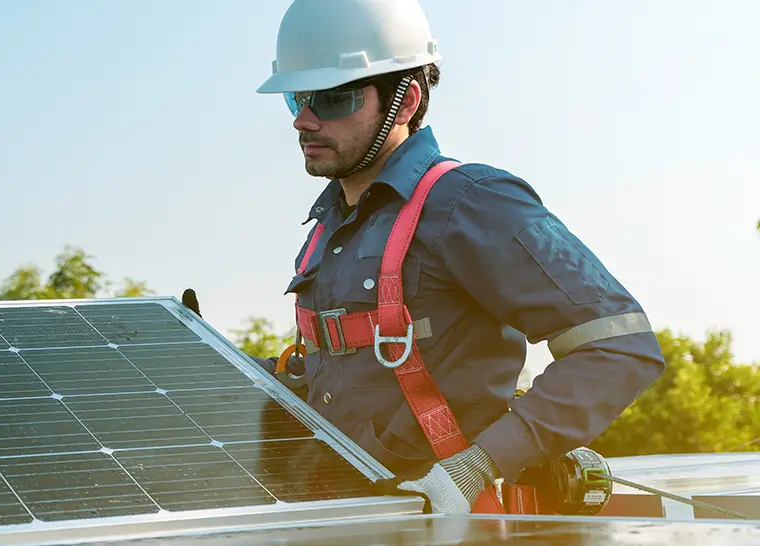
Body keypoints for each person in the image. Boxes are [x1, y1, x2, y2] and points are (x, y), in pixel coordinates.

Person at [185, 0, 665, 514]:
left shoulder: (469, 202)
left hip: (445, 527)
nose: (304, 120)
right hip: (345, 518)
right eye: (298, 98)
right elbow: (334, 381)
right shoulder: (329, 225)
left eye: (333, 98)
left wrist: (475, 468)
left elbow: (621, 348)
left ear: (406, 101)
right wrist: (211, 363)